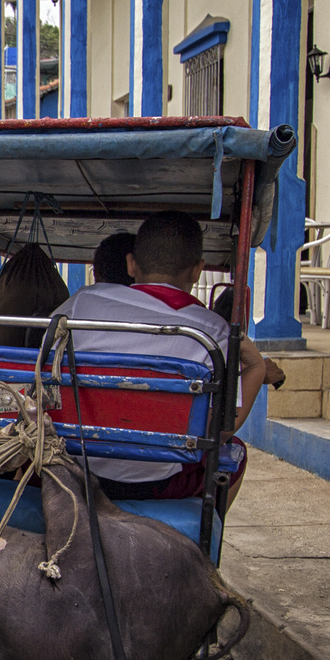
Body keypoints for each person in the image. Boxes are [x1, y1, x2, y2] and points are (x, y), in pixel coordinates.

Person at [49, 211, 270, 508]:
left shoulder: (80, 304)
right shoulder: (211, 330)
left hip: (80, 469)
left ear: (131, 264)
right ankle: (205, 546)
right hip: (158, 482)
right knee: (235, 452)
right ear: (197, 271)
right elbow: (222, 429)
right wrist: (256, 366)